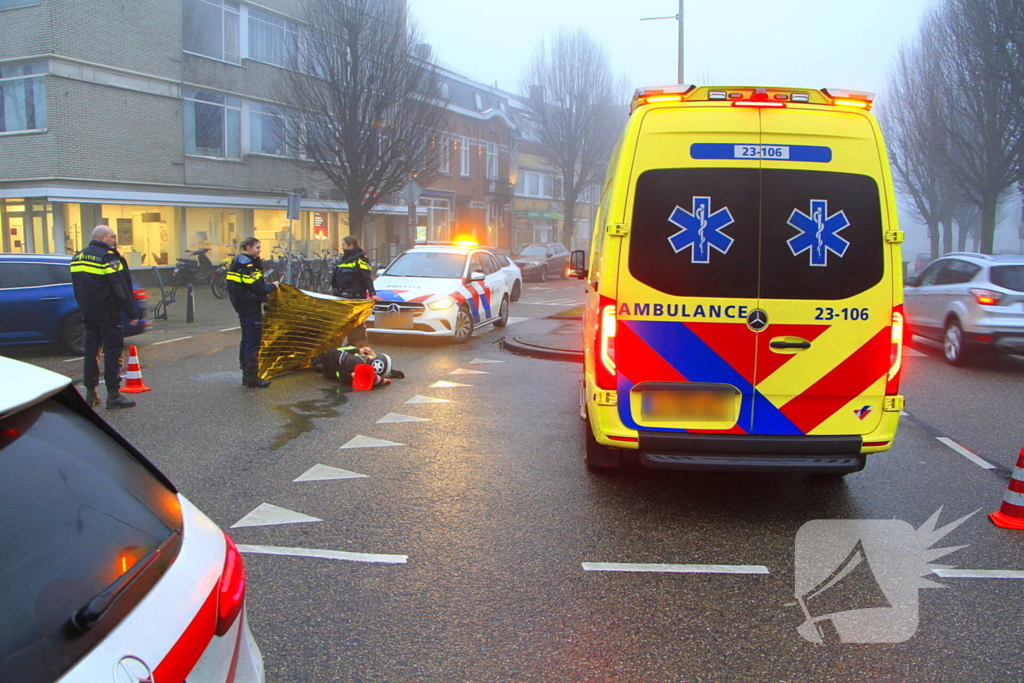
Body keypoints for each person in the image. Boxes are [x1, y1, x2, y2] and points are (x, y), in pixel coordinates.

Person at [70, 225, 139, 409]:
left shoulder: (78, 256)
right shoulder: (107, 257)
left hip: (88, 311)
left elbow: (77, 285)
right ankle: (113, 395)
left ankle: (91, 392)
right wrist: (131, 312)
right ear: (102, 238)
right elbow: (119, 286)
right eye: (112, 237)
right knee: (113, 350)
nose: (114, 240)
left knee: (92, 350)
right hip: (108, 311)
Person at [227, 237, 279, 388]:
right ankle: (252, 377)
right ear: (248, 248)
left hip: (243, 307)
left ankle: (246, 374)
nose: (259, 250)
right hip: (251, 307)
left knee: (246, 340)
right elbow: (258, 288)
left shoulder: (237, 262)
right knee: (253, 342)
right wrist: (273, 286)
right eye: (257, 247)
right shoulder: (248, 265)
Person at [331, 235, 380, 347]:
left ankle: (360, 348)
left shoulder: (361, 259)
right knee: (344, 324)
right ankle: (347, 348)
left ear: (351, 245)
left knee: (357, 324)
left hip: (356, 297)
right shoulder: (342, 260)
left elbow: (366, 278)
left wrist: (372, 293)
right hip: (343, 297)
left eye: (343, 245)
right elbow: (336, 278)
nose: (342, 247)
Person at [312, 345, 393, 389]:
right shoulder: (363, 369)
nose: (372, 354)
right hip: (328, 373)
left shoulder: (357, 360)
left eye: (374, 356)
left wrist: (358, 350)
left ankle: (319, 359)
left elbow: (334, 352)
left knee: (332, 352)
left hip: (330, 359)